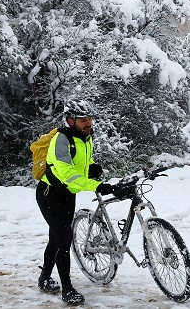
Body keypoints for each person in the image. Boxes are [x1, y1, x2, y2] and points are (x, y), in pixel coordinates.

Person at [36, 99, 114, 305]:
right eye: (83, 120)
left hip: (68, 194)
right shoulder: (61, 140)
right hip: (49, 194)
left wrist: (91, 166)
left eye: (89, 118)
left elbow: (80, 162)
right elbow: (68, 174)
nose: (88, 123)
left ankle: (44, 278)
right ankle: (67, 289)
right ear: (70, 121)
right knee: (64, 239)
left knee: (56, 239)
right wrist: (96, 185)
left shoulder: (86, 137)